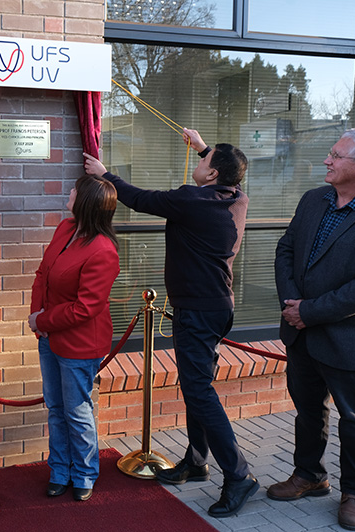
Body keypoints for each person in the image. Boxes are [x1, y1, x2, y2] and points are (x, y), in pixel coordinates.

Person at [84, 129, 257, 518]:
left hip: (197, 312)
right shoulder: (237, 197)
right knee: (198, 387)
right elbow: (226, 170)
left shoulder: (190, 200)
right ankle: (196, 461)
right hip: (216, 307)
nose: (198, 164)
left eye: (203, 162)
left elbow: (142, 199)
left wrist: (105, 174)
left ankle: (239, 475)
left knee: (199, 392)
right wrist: (204, 148)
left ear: (211, 175)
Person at [271, 128, 355, 530]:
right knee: (307, 411)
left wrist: (310, 311)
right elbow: (285, 249)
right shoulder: (312, 199)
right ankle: (309, 475)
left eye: (336, 155)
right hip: (302, 332)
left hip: (350, 336)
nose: (327, 160)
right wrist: (292, 305)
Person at [28, 175, 120, 502]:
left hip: (79, 344)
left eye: (74, 191)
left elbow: (85, 308)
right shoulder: (66, 228)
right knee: (55, 407)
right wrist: (37, 315)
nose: (69, 192)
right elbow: (43, 274)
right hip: (49, 336)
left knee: (77, 411)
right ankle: (60, 470)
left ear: (85, 201)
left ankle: (84, 472)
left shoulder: (103, 250)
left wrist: (43, 319)